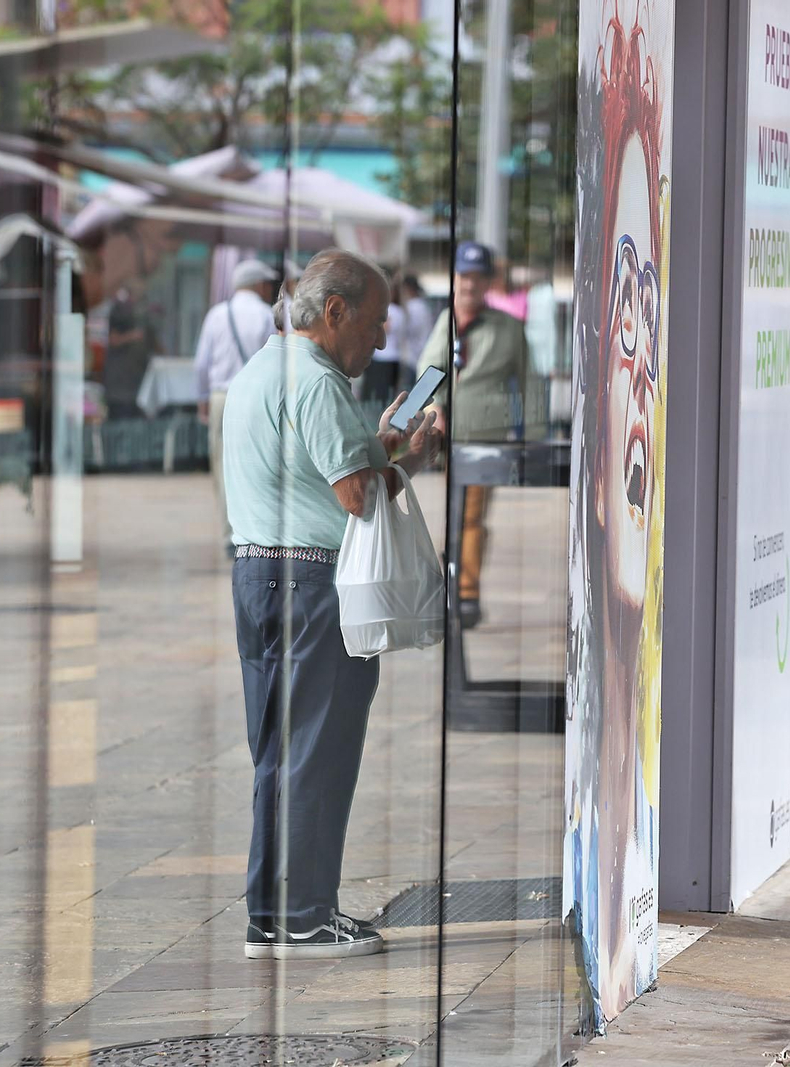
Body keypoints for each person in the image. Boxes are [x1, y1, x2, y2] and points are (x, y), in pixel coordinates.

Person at [223, 249, 444, 961]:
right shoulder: (315, 380)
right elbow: (354, 495)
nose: (381, 339)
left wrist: (378, 442)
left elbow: (322, 469)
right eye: (376, 322)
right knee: (317, 751)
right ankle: (302, 914)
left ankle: (278, 910)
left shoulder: (263, 369)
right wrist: (408, 459)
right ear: (335, 311)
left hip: (260, 573)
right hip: (309, 584)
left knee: (281, 754)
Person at [417, 240, 532, 629]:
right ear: (454, 279)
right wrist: (428, 407)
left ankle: (465, 592)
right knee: (456, 512)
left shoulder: (508, 328)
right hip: (446, 436)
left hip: (485, 434)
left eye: (477, 278)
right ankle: (453, 586)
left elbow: (529, 382)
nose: (469, 285)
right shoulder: (445, 320)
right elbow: (429, 368)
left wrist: (531, 438)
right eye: (464, 277)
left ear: (489, 282)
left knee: (469, 514)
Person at [195, 258, 279, 554]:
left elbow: (202, 363)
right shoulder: (266, 315)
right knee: (258, 461)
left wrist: (203, 400)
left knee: (221, 463)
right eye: (267, 283)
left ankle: (229, 533)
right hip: (256, 395)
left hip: (221, 396)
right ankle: (253, 530)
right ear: (257, 284)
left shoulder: (216, 315)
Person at [103, 279, 158, 421]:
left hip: (137, 383)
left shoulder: (143, 315)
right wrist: (132, 336)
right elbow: (113, 340)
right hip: (119, 386)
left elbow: (154, 342)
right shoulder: (119, 311)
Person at [361, 277, 408, 403]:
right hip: (394, 357)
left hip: (382, 358)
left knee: (376, 396)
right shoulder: (402, 311)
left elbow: (385, 329)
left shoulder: (389, 310)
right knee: (388, 395)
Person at [399, 275, 433, 371]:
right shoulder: (423, 305)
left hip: (413, 356)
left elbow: (408, 330)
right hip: (421, 353)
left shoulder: (412, 307)